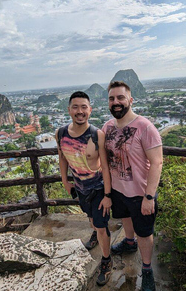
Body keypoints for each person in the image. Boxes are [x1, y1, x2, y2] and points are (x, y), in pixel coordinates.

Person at [102, 81, 163, 291]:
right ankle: (129, 242)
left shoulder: (145, 127)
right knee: (125, 217)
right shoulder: (107, 127)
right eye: (112, 98)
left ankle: (146, 269)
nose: (116, 102)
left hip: (140, 193)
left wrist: (149, 197)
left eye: (120, 98)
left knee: (145, 232)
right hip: (118, 190)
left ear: (130, 100)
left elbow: (157, 162)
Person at [56, 91, 113, 286]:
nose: (80, 111)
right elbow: (62, 157)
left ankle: (106, 260)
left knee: (101, 226)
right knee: (91, 220)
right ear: (69, 110)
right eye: (75, 107)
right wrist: (65, 181)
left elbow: (105, 166)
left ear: (90, 110)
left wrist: (107, 195)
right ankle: (95, 232)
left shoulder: (97, 135)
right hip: (80, 189)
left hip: (98, 188)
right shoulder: (61, 133)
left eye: (83, 107)